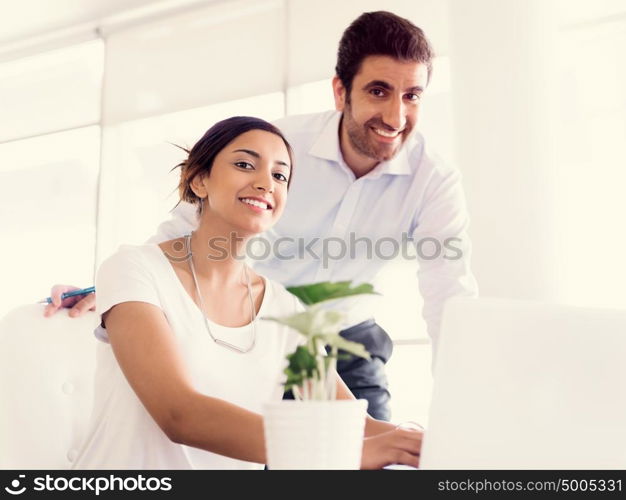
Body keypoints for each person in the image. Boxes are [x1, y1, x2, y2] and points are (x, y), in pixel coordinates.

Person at [47, 11, 478, 422]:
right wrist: (124, 287)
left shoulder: (433, 180)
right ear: (341, 92)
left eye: (412, 96)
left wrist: (465, 400)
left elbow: (448, 295)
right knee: (253, 454)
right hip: (254, 331)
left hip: (346, 338)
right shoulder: (279, 148)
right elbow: (191, 223)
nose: (395, 116)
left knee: (373, 459)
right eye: (378, 91)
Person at [71, 116, 422, 469]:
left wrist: (420, 440)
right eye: (244, 164)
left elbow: (354, 425)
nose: (265, 183)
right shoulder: (135, 268)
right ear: (200, 180)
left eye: (279, 175)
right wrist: (350, 452)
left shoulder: (286, 309)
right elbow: (178, 413)